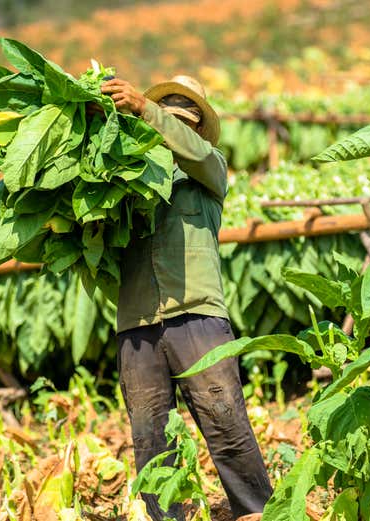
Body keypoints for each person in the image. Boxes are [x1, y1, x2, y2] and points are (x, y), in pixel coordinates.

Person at [100, 75, 273, 521]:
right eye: (163, 119)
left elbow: (194, 154)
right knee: (150, 439)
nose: (166, 134)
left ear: (193, 129)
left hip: (196, 316)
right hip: (136, 323)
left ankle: (257, 512)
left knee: (226, 423)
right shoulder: (132, 184)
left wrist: (146, 109)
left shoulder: (209, 170)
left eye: (177, 123)